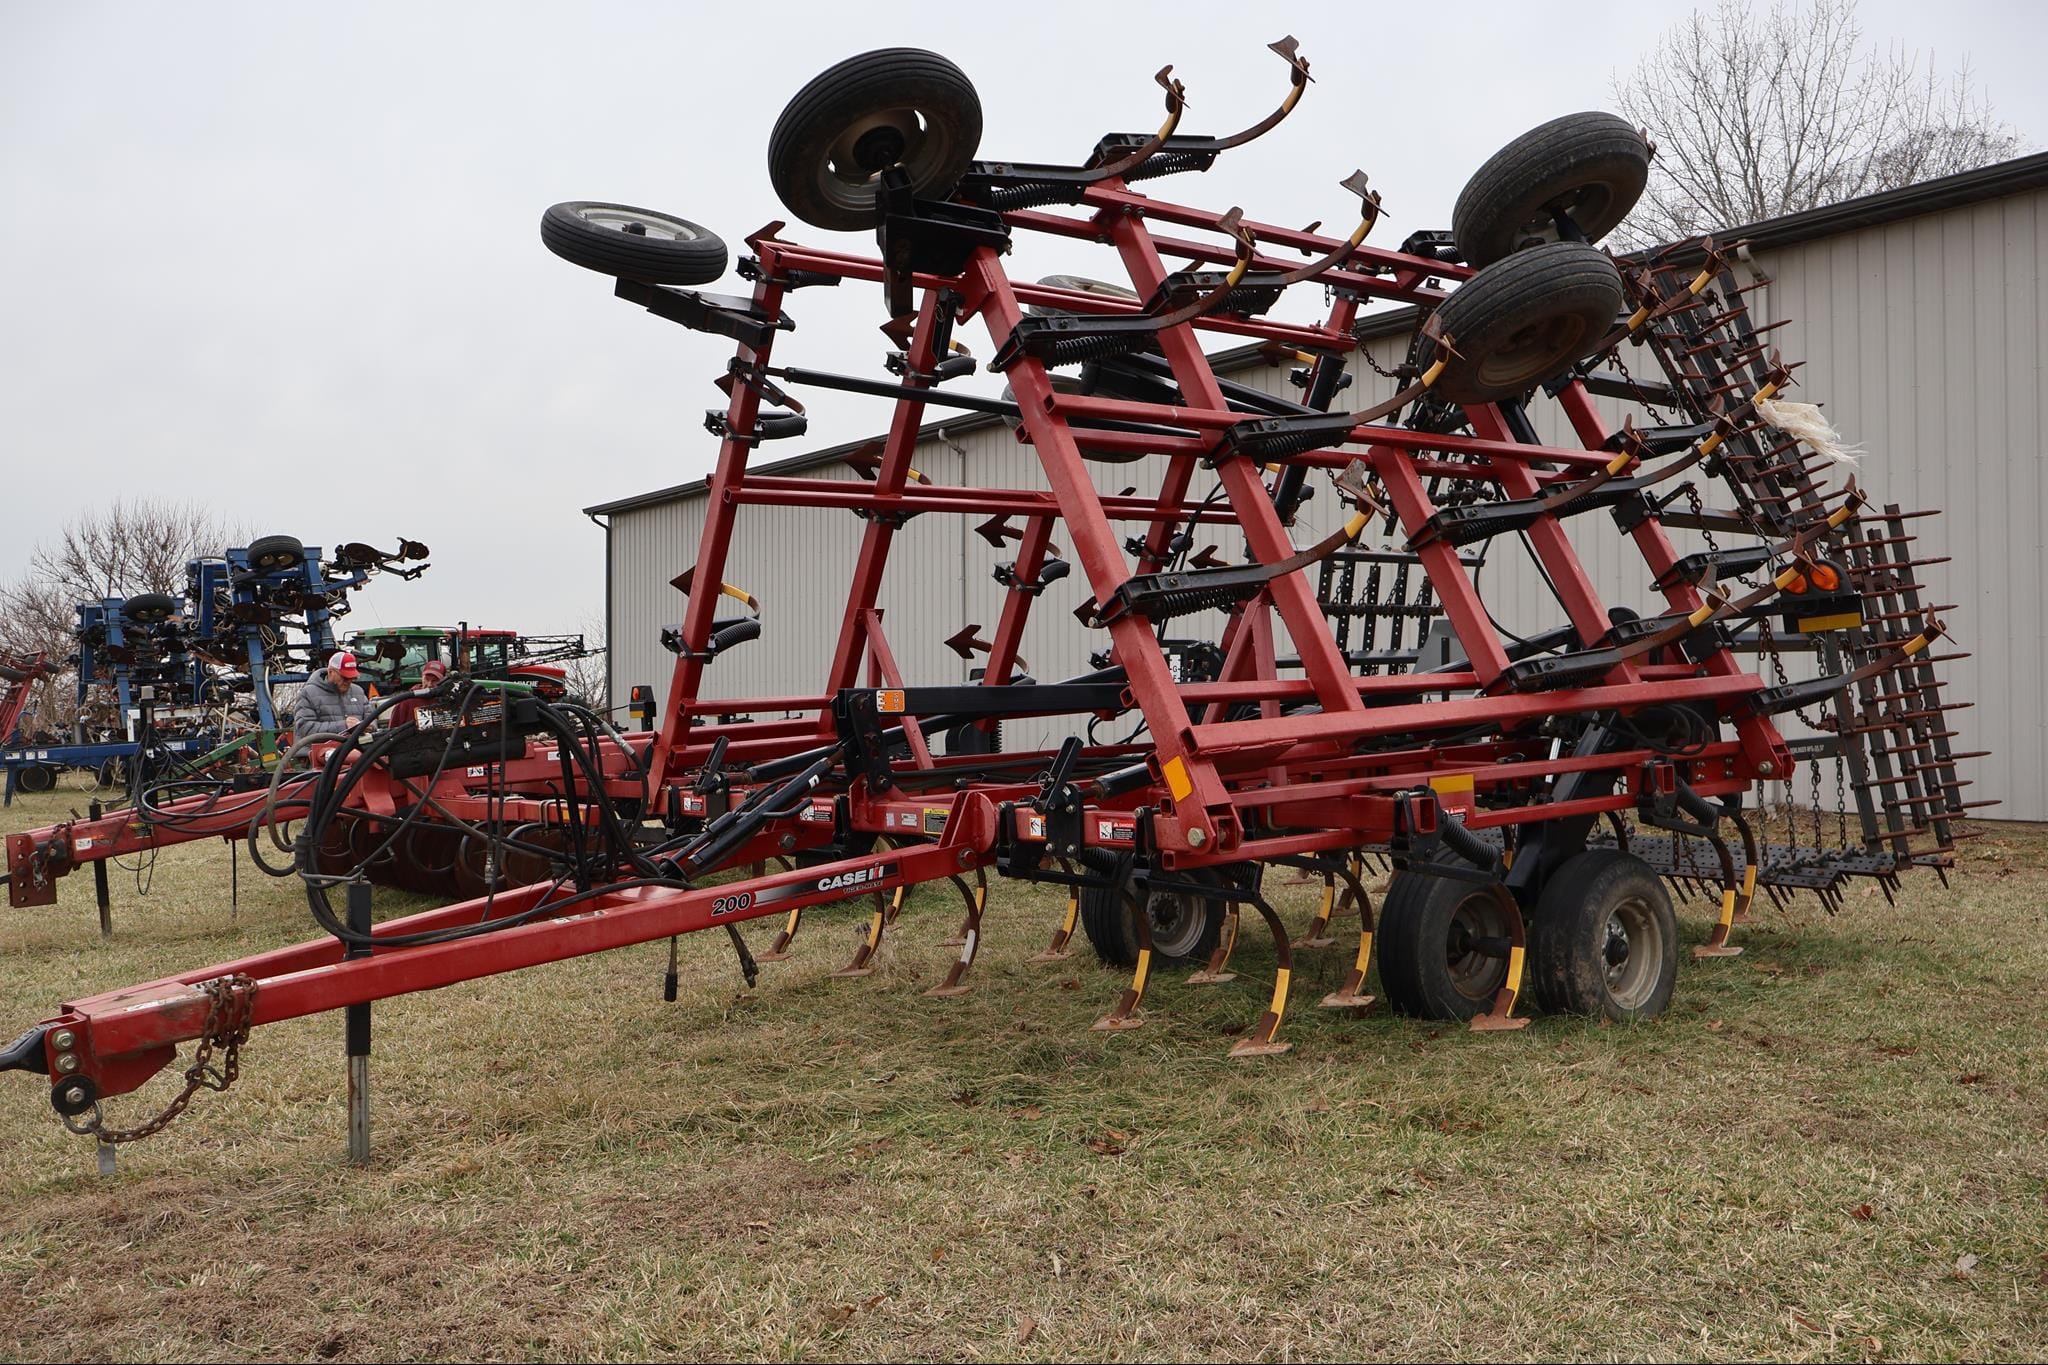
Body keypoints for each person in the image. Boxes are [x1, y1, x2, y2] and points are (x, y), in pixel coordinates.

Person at [293, 650, 374, 736]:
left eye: (352, 678)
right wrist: (343, 726)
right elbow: (304, 728)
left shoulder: (358, 692)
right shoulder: (308, 693)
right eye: (345, 677)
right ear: (331, 672)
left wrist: (370, 726)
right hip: (320, 748)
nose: (348, 681)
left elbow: (371, 719)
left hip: (354, 747)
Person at [386, 659, 448, 729]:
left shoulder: (448, 700)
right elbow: (391, 732)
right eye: (427, 679)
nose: (429, 684)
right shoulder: (406, 701)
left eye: (435, 681)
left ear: (443, 681)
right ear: (422, 678)